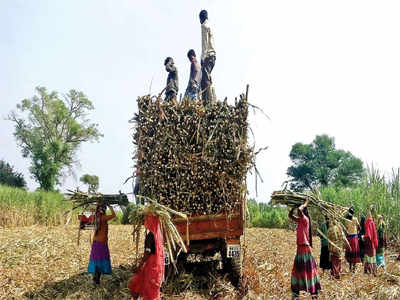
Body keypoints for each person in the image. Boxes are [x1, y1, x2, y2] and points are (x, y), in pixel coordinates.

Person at [289, 200, 321, 300]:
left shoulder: (305, 219)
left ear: (304, 212)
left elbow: (299, 210)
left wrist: (305, 203)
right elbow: (290, 215)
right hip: (300, 249)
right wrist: (293, 207)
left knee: (307, 271)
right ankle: (296, 295)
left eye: (302, 211)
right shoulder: (300, 220)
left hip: (305, 249)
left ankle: (314, 294)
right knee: (297, 272)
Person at [129, 214, 164, 300]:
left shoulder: (150, 236)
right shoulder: (159, 235)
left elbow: (147, 253)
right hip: (157, 265)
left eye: (147, 220)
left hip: (151, 265)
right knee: (143, 285)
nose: (146, 222)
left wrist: (140, 265)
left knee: (139, 284)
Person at [88, 204, 116, 285]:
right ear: (103, 210)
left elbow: (88, 218)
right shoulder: (103, 217)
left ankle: (96, 278)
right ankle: (96, 279)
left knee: (97, 260)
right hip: (101, 243)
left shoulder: (95, 217)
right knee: (100, 260)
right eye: (105, 209)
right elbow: (114, 215)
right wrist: (110, 207)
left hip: (96, 243)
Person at [199, 9, 216, 105]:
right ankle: (209, 99)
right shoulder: (210, 25)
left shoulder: (204, 26)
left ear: (201, 18)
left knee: (204, 80)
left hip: (208, 55)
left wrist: (202, 57)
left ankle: (207, 102)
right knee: (207, 77)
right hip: (213, 56)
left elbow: (205, 43)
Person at [344, 206, 361, 272]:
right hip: (354, 238)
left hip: (349, 237)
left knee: (350, 252)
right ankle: (353, 268)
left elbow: (346, 229)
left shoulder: (346, 220)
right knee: (354, 252)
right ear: (353, 213)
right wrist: (357, 232)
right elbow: (359, 227)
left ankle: (350, 267)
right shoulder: (355, 219)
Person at [362, 206, 378, 276]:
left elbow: (368, 235)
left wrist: (363, 238)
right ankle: (373, 271)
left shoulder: (369, 223)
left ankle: (369, 271)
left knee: (369, 257)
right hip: (372, 244)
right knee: (372, 257)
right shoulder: (372, 223)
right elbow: (373, 234)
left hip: (369, 243)